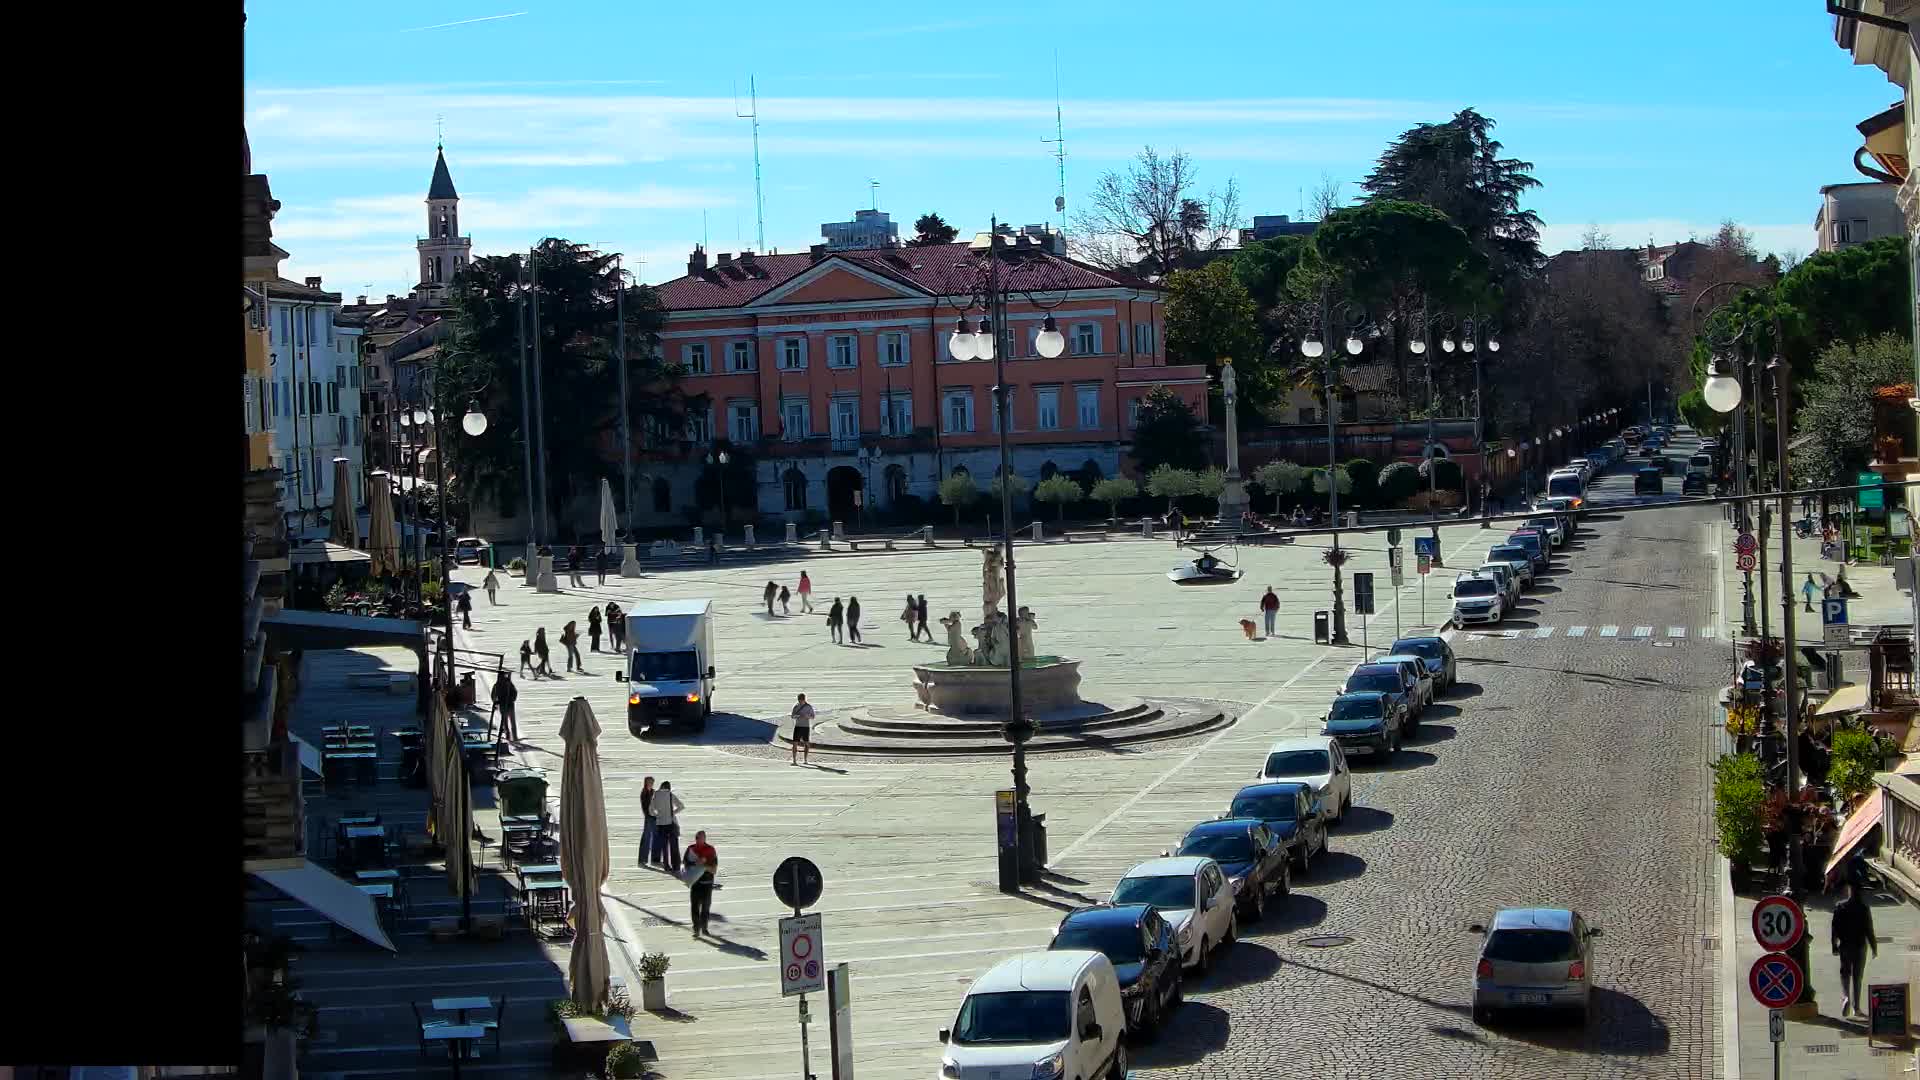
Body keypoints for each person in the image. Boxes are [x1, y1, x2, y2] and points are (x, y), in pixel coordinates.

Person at [1832, 878, 1878, 1017]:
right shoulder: (1863, 908)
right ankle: (1856, 1008)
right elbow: (1869, 929)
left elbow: (1834, 928)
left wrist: (1834, 944)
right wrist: (1874, 947)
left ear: (1849, 891)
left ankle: (1845, 996)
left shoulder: (1840, 907)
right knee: (1857, 977)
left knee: (1845, 973)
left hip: (1845, 945)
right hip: (1860, 946)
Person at [684, 830, 719, 936]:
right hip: (695, 882)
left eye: (702, 838)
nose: (700, 840)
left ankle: (704, 928)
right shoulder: (691, 849)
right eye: (698, 838)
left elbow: (714, 869)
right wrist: (695, 863)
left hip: (707, 883)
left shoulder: (710, 850)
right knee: (694, 907)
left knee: (705, 907)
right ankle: (696, 928)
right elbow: (685, 864)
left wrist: (704, 865)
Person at [650, 781, 684, 872]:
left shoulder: (656, 796)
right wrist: (673, 813)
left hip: (661, 824)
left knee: (664, 846)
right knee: (674, 845)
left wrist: (657, 815)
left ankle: (666, 866)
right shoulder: (670, 795)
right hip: (670, 823)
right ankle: (676, 866)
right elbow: (681, 806)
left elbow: (651, 810)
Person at [491, 671, 519, 744]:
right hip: (507, 704)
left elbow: (493, 696)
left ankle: (510, 736)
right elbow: (515, 692)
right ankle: (512, 737)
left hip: (506, 704)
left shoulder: (500, 684)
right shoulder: (505, 684)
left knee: (507, 722)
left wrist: (496, 702)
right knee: (509, 721)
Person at [638, 776, 657, 867]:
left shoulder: (653, 792)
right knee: (646, 838)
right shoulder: (644, 792)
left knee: (653, 838)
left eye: (652, 782)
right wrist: (649, 816)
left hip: (654, 816)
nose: (651, 783)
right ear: (646, 782)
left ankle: (653, 858)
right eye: (649, 782)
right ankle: (642, 859)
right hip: (649, 817)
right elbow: (644, 806)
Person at [791, 693, 815, 766]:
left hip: (805, 727)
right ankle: (794, 760)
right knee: (795, 743)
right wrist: (798, 716)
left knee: (806, 743)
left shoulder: (808, 707)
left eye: (801, 700)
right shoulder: (796, 706)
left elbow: (813, 716)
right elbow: (792, 716)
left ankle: (805, 760)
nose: (800, 701)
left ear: (804, 699)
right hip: (798, 726)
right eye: (799, 700)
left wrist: (807, 716)